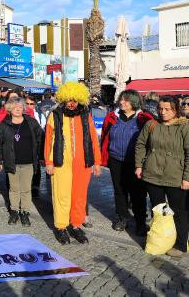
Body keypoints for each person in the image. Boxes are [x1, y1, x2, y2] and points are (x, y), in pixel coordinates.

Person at [44, 82, 101, 245]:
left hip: (82, 163)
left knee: (79, 196)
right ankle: (61, 227)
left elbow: (93, 140)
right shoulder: (54, 115)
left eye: (75, 100)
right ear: (63, 99)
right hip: (60, 163)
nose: (71, 103)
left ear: (80, 100)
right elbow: (48, 140)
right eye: (68, 99)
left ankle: (75, 225)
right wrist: (48, 161)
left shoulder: (86, 115)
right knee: (61, 196)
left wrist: (97, 162)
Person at [135, 96, 189, 258]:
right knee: (159, 210)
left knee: (179, 212)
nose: (163, 112)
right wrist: (139, 165)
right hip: (153, 175)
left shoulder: (184, 126)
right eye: (160, 109)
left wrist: (187, 177)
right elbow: (141, 145)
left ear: (176, 110)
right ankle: (162, 238)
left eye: (168, 109)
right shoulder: (151, 124)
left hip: (175, 177)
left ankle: (180, 244)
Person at [100, 90, 153, 235]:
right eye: (121, 99)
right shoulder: (112, 117)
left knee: (138, 193)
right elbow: (105, 135)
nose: (121, 102)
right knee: (120, 191)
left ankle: (141, 221)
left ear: (133, 102)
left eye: (125, 100)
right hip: (116, 160)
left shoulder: (143, 118)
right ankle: (122, 217)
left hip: (136, 163)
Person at [0, 97, 43, 226]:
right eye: (15, 107)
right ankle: (14, 211)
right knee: (14, 189)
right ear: (10, 109)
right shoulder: (4, 125)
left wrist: (41, 156)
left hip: (28, 162)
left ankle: (25, 212)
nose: (18, 109)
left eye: (20, 107)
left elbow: (40, 138)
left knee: (26, 189)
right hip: (12, 162)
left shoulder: (31, 122)